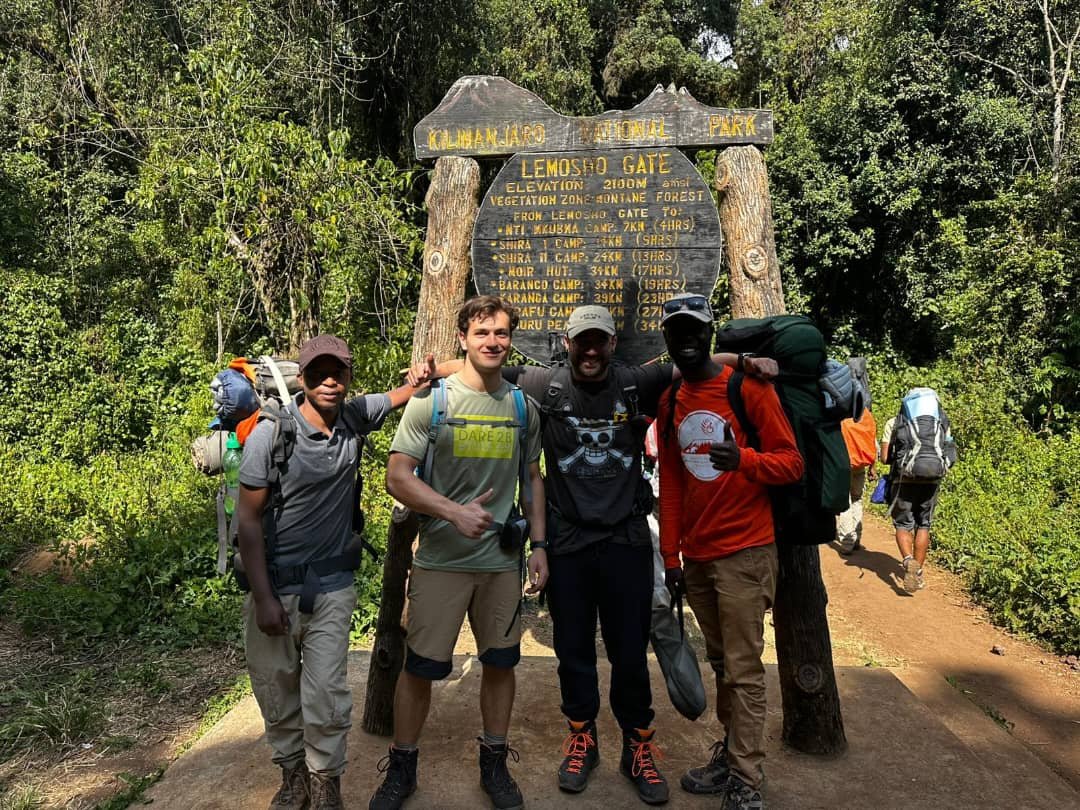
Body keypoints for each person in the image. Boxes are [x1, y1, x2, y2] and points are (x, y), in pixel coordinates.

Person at [497, 299, 777, 805]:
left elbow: (697, 358)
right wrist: (426, 375)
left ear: (611, 344)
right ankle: (582, 739)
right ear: (567, 344)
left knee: (630, 653)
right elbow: (486, 365)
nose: (589, 349)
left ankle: (637, 746)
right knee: (573, 652)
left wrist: (748, 361)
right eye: (581, 341)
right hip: (568, 542)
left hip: (625, 539)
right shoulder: (546, 384)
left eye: (598, 340)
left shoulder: (635, 381)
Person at [236, 334, 440, 810]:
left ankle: (326, 782)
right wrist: (264, 598)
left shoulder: (354, 416)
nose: (328, 381)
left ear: (349, 376)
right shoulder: (272, 433)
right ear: (302, 379)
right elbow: (248, 521)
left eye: (338, 372)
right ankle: (292, 777)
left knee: (326, 692)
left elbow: (406, 393)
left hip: (331, 586)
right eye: (317, 373)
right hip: (275, 585)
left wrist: (422, 376)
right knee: (276, 687)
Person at [369, 295, 547, 810]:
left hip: (499, 567)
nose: (493, 341)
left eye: (501, 333)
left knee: (500, 663)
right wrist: (453, 512)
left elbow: (532, 480)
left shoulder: (520, 406)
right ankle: (402, 767)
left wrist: (541, 547)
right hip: (441, 563)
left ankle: (494, 763)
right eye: (482, 332)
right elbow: (397, 476)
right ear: (463, 339)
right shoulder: (433, 402)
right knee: (420, 667)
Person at [655, 294, 803, 810]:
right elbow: (670, 481)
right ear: (668, 341)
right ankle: (732, 755)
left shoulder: (747, 388)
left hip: (745, 550)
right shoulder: (671, 398)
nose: (688, 339)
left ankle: (747, 777)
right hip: (696, 555)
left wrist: (743, 460)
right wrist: (670, 557)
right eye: (678, 332)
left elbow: (790, 463)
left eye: (696, 329)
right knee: (721, 662)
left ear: (711, 332)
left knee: (742, 668)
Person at [879, 389, 957, 593]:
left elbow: (885, 458)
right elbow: (950, 451)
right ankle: (918, 572)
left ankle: (907, 561)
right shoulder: (941, 422)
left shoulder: (894, 422)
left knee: (903, 524)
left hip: (903, 480)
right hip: (932, 480)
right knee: (924, 524)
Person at [836, 406, 878, 554]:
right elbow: (873, 442)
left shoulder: (840, 414)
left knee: (845, 501)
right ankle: (857, 537)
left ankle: (847, 542)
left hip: (843, 464)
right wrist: (873, 466)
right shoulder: (865, 415)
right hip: (860, 465)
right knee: (857, 498)